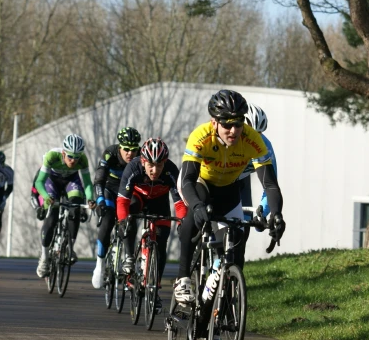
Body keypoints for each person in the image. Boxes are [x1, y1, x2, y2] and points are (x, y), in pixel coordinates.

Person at [174, 89, 286, 304]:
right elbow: (187, 179)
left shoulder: (253, 139)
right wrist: (197, 206)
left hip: (229, 188)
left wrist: (277, 215)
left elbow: (270, 185)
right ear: (214, 122)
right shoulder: (201, 135)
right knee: (193, 218)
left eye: (238, 123)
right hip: (200, 183)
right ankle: (183, 278)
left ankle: (224, 299)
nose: (233, 130)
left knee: (237, 236)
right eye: (226, 124)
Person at [115, 138, 187, 313]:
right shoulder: (133, 168)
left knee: (161, 243)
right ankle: (129, 257)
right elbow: (122, 201)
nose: (155, 171)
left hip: (159, 202)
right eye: (150, 165)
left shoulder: (171, 171)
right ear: (143, 161)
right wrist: (123, 221)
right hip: (137, 198)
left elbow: (179, 203)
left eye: (159, 166)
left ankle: (154, 290)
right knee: (129, 219)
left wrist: (182, 222)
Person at [33, 134, 96, 278]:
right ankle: (44, 257)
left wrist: (90, 199)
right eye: (70, 157)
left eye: (77, 157)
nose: (73, 160)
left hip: (71, 181)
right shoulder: (51, 156)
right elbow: (39, 182)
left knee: (75, 208)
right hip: (52, 181)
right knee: (52, 217)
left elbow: (86, 183)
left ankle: (69, 247)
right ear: (63, 153)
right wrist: (46, 197)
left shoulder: (83, 159)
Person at [91, 127, 142, 289]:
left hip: (127, 191)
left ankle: (129, 259)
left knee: (130, 219)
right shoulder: (110, 153)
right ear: (120, 146)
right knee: (107, 220)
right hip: (109, 190)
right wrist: (99, 201)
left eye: (133, 150)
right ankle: (100, 264)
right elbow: (99, 180)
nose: (130, 153)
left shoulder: (141, 156)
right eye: (126, 149)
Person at [237, 103, 278, 234]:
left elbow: (270, 184)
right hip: (217, 180)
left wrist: (263, 211)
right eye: (249, 132)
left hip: (241, 181)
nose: (253, 138)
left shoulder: (265, 146)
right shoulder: (229, 138)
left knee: (244, 228)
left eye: (258, 134)